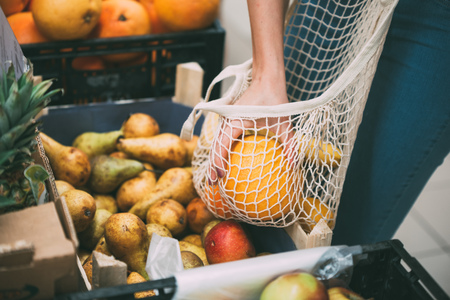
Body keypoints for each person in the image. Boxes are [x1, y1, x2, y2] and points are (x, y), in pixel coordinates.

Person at [211, 0, 450, 246]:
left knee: (344, 240)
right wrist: (266, 76)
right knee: (267, 207)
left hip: (438, 17)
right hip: (335, 6)